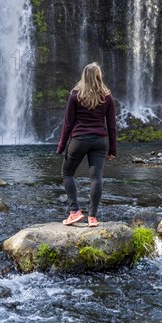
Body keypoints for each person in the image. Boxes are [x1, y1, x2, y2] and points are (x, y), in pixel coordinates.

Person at [56, 62, 117, 227]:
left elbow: (68, 123)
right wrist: (113, 150)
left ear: (84, 76)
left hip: (79, 139)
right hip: (100, 141)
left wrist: (61, 147)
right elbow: (111, 125)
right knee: (96, 177)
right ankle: (92, 217)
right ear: (99, 76)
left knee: (67, 173)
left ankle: (75, 211)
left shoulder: (75, 95)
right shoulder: (107, 97)